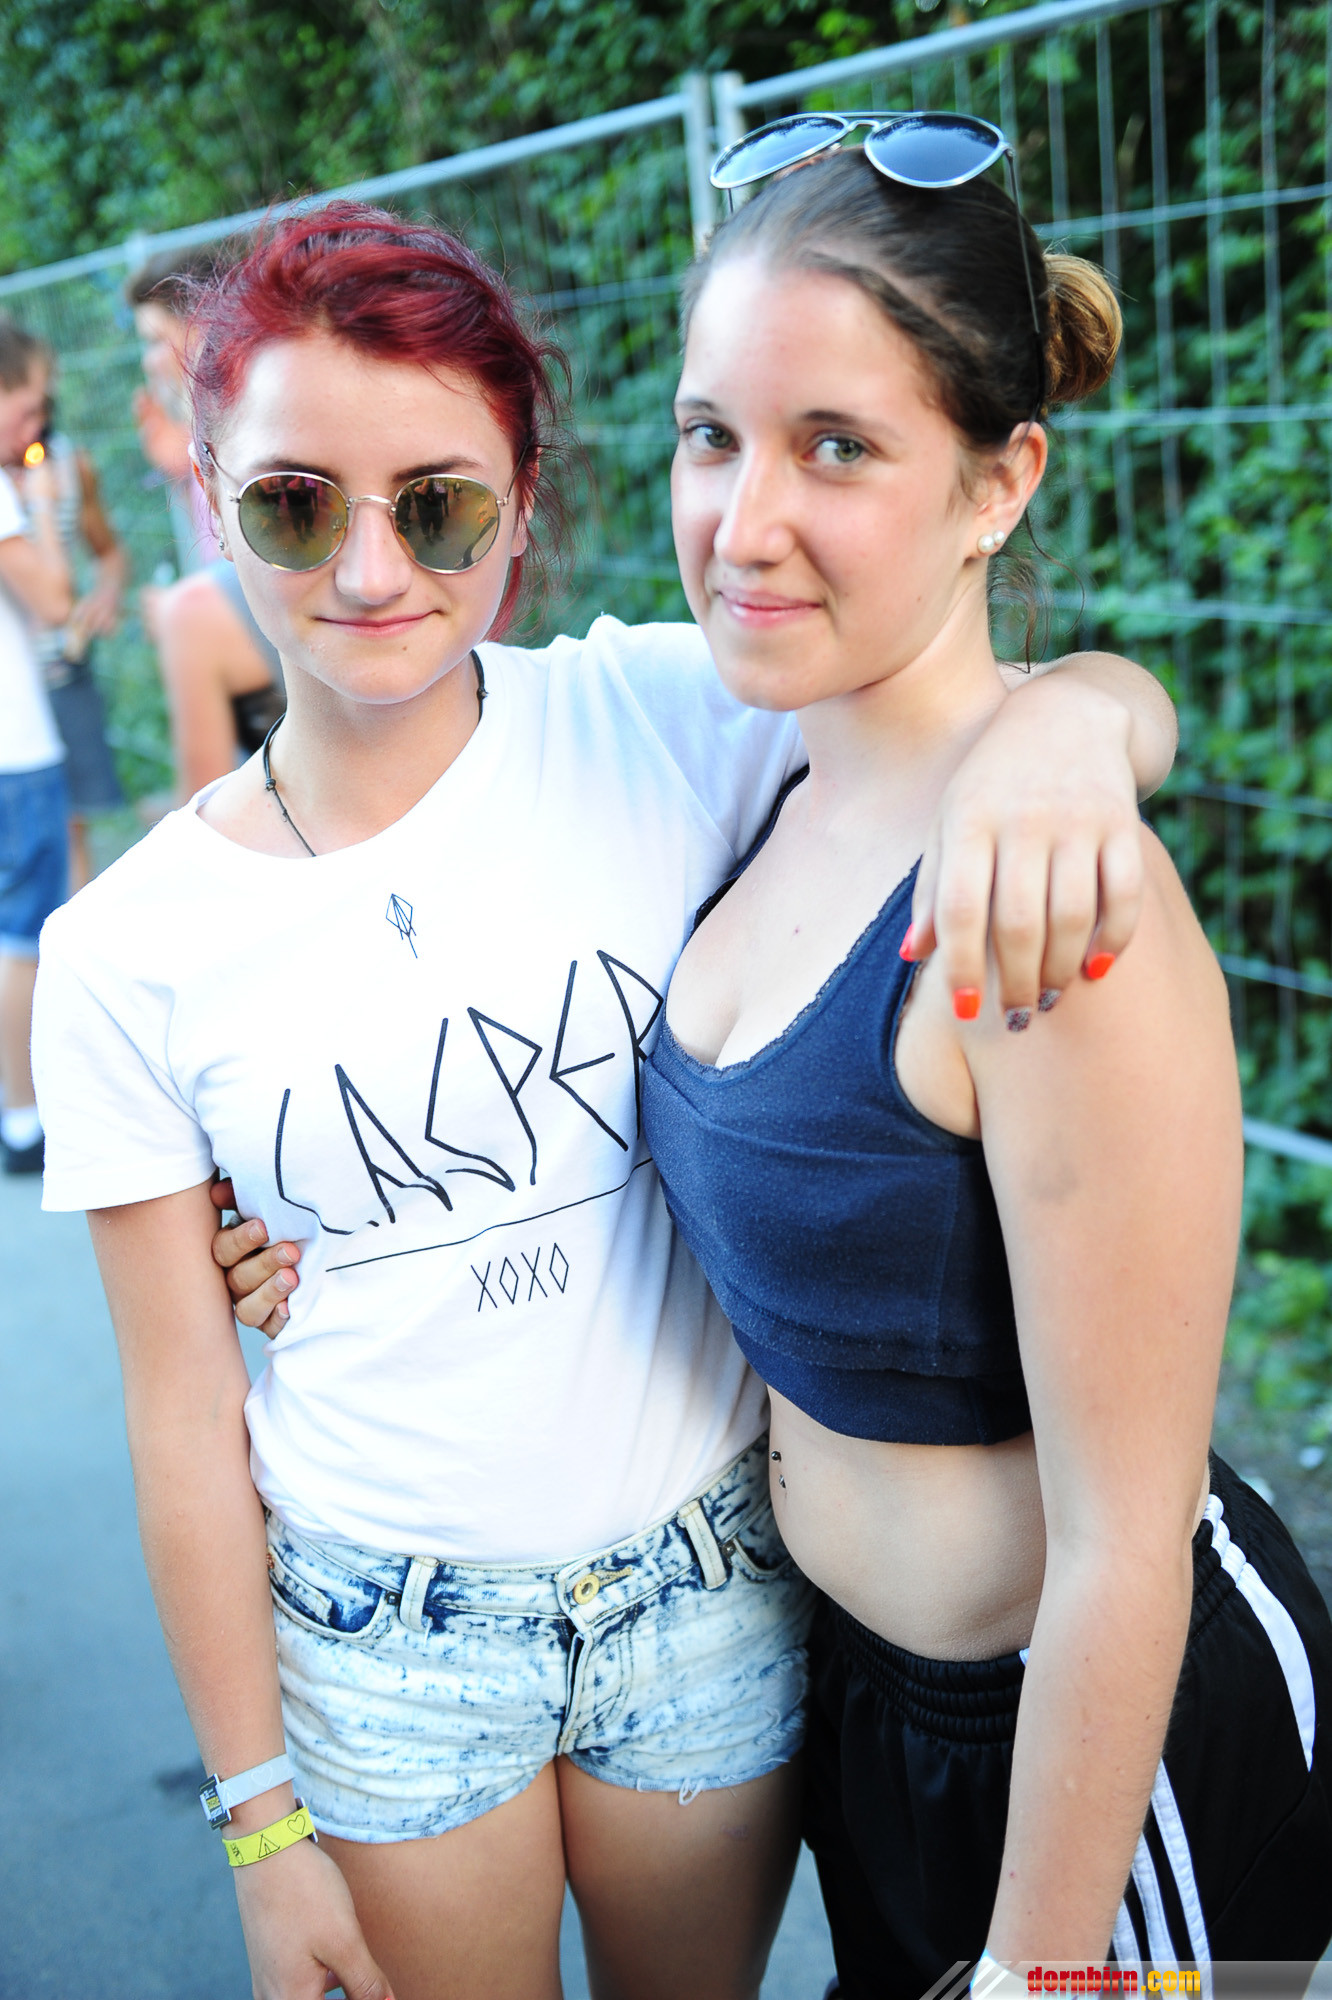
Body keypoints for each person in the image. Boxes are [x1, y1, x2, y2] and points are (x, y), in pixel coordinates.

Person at [33, 203, 1176, 2000]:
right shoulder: (125, 952)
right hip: (391, 1637)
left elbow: (954, 698)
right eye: (293, 505)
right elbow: (180, 1418)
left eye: (438, 505)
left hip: (704, 1592)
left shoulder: (659, 715)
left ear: (522, 503)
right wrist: (255, 1818)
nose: (370, 568)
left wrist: (1080, 719)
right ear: (206, 492)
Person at [631, 138, 1332, 1990]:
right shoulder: (758, 773)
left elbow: (1123, 1545)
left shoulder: (1055, 904)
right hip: (867, 1715)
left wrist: (1041, 1970)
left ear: (998, 483)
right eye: (711, 435)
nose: (742, 520)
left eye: (835, 447)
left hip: (1099, 1747)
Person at [128, 245, 286, 795]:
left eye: (155, 340)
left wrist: (185, 610)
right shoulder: (201, 423)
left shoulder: (242, 421)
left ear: (200, 323)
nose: (149, 361)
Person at [0, 316, 73, 1173]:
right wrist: (44, 506)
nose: (36, 425)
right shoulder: (5, 492)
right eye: (27, 405)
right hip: (15, 748)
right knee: (23, 935)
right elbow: (54, 601)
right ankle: (24, 1121)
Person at [15, 395, 129, 891]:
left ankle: (66, 925)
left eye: (39, 409)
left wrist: (106, 594)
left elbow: (109, 552)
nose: (32, 425)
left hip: (63, 664)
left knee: (71, 820)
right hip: (14, 681)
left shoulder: (67, 462)